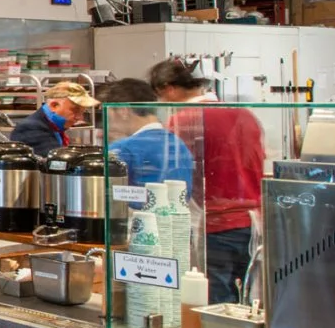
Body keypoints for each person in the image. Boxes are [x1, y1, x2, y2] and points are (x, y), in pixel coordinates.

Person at [150, 59, 265, 304]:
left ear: (168, 89)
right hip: (252, 222)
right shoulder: (245, 114)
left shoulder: (183, 120)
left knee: (217, 301)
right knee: (251, 300)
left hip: (214, 224)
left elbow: (175, 178)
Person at [97, 78, 194, 188]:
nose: (106, 123)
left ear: (123, 111)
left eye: (107, 115)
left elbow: (106, 194)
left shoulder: (122, 150)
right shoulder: (178, 144)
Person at [9, 80, 96, 154]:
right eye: (75, 110)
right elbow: (56, 163)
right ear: (54, 105)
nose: (79, 118)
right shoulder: (31, 128)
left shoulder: (54, 127)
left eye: (82, 112)